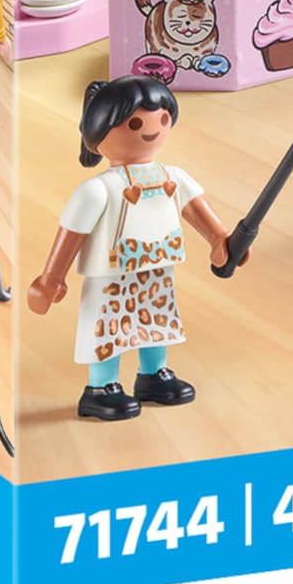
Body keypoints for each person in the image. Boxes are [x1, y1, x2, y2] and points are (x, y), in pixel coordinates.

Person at [26, 76, 239, 421]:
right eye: (136, 124)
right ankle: (100, 387)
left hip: (157, 265)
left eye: (163, 119)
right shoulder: (98, 190)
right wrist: (51, 278)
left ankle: (153, 375)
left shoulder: (171, 176)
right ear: (98, 134)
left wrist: (219, 238)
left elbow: (195, 208)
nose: (152, 129)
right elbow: (72, 232)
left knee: (157, 319)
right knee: (108, 328)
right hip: (111, 275)